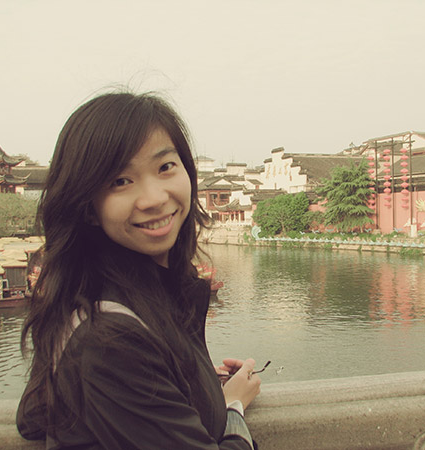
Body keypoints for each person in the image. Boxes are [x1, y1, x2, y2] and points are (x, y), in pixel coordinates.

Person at [16, 91, 261, 449]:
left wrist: (187, 381)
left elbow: (32, 418)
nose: (155, 198)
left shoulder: (108, 292)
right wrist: (232, 405)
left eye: (165, 167)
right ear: (87, 207)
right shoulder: (107, 341)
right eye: (120, 181)